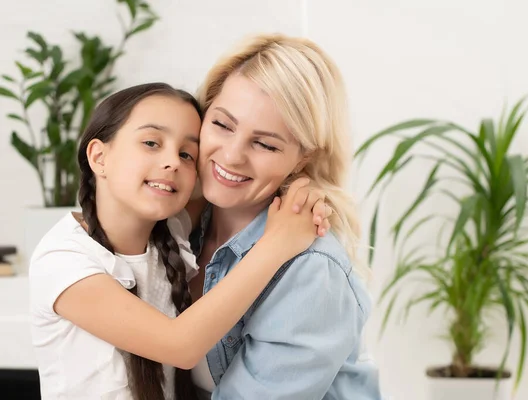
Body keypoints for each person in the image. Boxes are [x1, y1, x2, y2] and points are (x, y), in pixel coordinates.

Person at [28, 82, 333, 400]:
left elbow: (223, 173)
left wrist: (300, 188)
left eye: (187, 154)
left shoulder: (170, 232)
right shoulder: (64, 261)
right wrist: (277, 244)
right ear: (99, 156)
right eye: (151, 142)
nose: (173, 162)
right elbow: (180, 346)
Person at [186, 33, 382, 399]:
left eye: (265, 144)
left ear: (303, 158)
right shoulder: (183, 226)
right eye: (223, 125)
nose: (231, 156)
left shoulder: (310, 268)